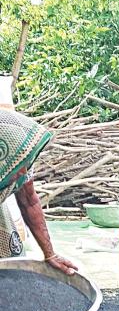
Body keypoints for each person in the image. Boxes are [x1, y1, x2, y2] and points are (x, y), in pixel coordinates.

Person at [0, 109, 77, 274]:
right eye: (18, 166)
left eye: (26, 163)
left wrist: (50, 254)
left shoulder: (19, 156)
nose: (24, 171)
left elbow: (29, 201)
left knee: (12, 275)